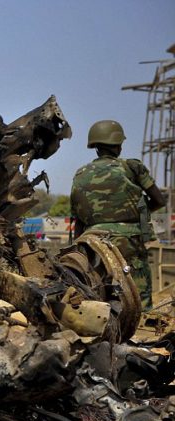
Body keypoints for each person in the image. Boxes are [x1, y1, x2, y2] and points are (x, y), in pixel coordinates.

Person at [71, 120, 165, 309]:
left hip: (92, 240)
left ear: (95, 146)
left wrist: (77, 248)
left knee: (100, 287)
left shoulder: (80, 173)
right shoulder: (132, 167)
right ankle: (142, 325)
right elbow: (159, 200)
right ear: (118, 146)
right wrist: (140, 211)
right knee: (138, 287)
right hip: (128, 239)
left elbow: (78, 218)